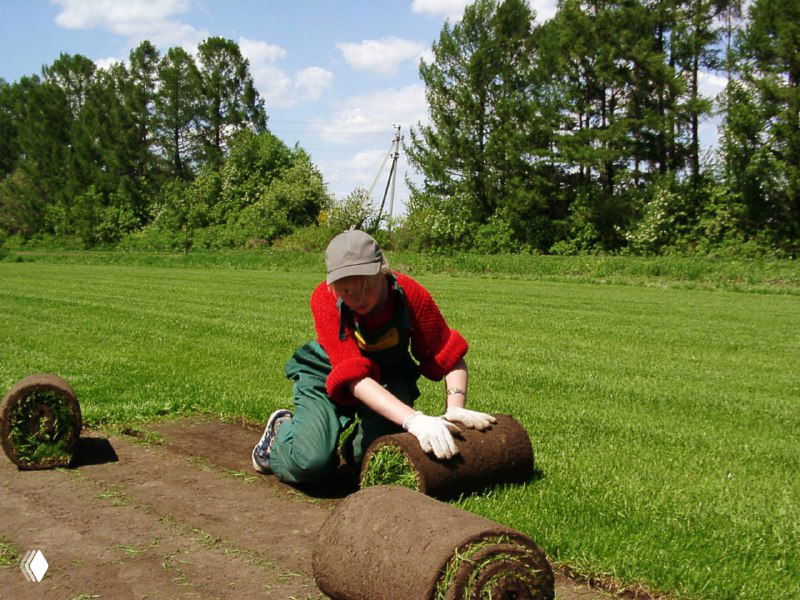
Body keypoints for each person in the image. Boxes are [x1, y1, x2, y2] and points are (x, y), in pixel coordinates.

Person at [251, 229, 496, 483]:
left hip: (387, 377)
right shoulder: (324, 298)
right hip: (325, 374)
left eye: (365, 288)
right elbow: (354, 377)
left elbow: (449, 354)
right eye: (345, 291)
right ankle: (280, 432)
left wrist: (455, 409)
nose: (356, 299)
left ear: (382, 273)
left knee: (367, 458)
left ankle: (353, 448)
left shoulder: (410, 295)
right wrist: (413, 420)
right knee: (310, 463)